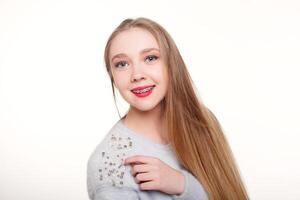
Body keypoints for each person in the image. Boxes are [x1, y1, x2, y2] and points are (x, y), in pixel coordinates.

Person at [87, 17, 249, 200]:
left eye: (150, 58)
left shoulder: (201, 121)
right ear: (112, 76)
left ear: (171, 64)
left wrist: (182, 184)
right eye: (122, 64)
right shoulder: (109, 165)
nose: (137, 75)